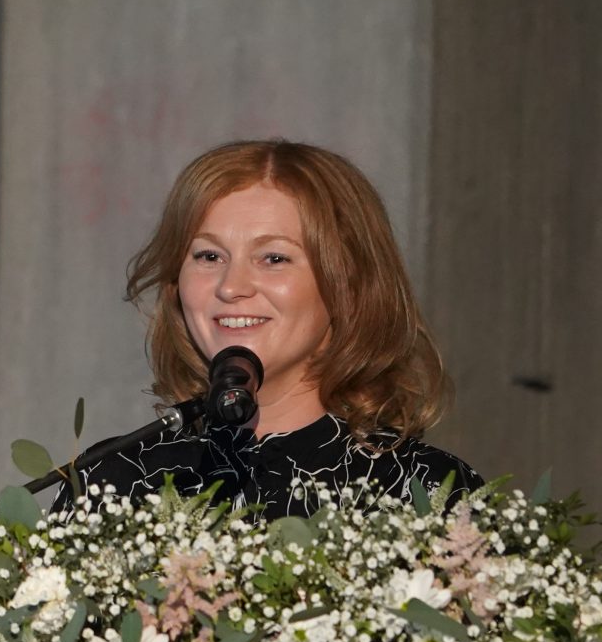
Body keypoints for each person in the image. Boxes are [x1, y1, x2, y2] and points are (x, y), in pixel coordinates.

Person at [86, 139, 481, 516]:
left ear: (348, 285)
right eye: (209, 256)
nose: (231, 287)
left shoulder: (425, 495)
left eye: (274, 258)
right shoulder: (111, 482)